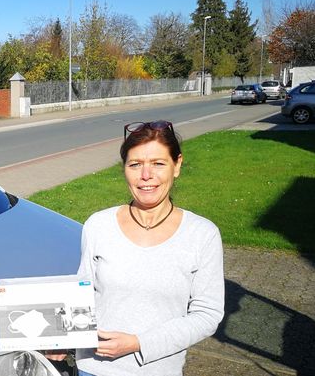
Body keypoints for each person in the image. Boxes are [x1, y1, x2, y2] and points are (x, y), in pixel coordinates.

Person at [74, 120, 224, 375]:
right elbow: (82, 294)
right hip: (93, 369)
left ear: (177, 165)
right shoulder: (98, 225)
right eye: (135, 165)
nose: (146, 176)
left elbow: (207, 315)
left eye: (158, 163)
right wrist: (61, 339)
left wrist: (139, 344)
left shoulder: (202, 234)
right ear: (124, 169)